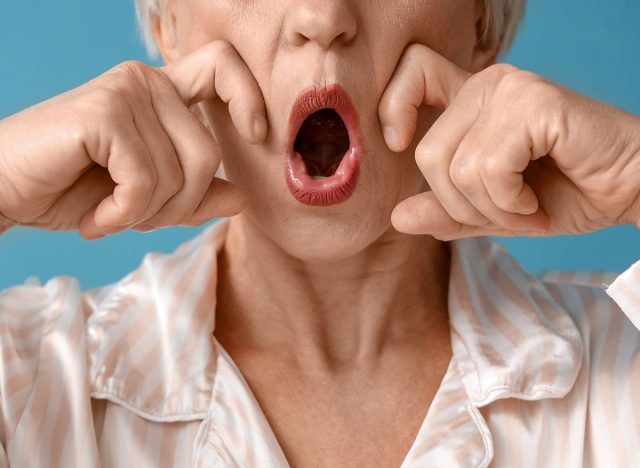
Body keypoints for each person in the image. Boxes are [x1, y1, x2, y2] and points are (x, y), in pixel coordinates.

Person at [1, 0, 639, 466]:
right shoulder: (28, 379)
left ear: (478, 21)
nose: (322, 14)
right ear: (171, 25)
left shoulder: (622, 369)